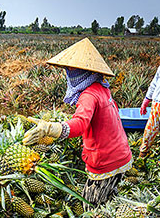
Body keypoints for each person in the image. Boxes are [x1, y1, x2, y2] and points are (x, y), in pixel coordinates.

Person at [23, 38, 132, 205]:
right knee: (110, 196)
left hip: (106, 161)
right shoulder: (102, 87)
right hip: (121, 154)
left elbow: (80, 123)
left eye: (72, 69)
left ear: (84, 71)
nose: (69, 72)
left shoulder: (88, 95)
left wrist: (49, 128)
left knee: (91, 205)